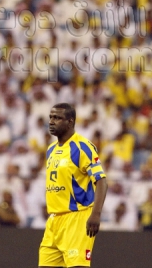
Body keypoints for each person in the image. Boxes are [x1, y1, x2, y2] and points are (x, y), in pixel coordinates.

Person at [38, 103, 108, 268]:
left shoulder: (82, 147)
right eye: (51, 117)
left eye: (57, 118)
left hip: (77, 218)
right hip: (54, 220)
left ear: (70, 122)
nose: (51, 121)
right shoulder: (51, 150)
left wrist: (96, 214)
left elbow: (101, 181)